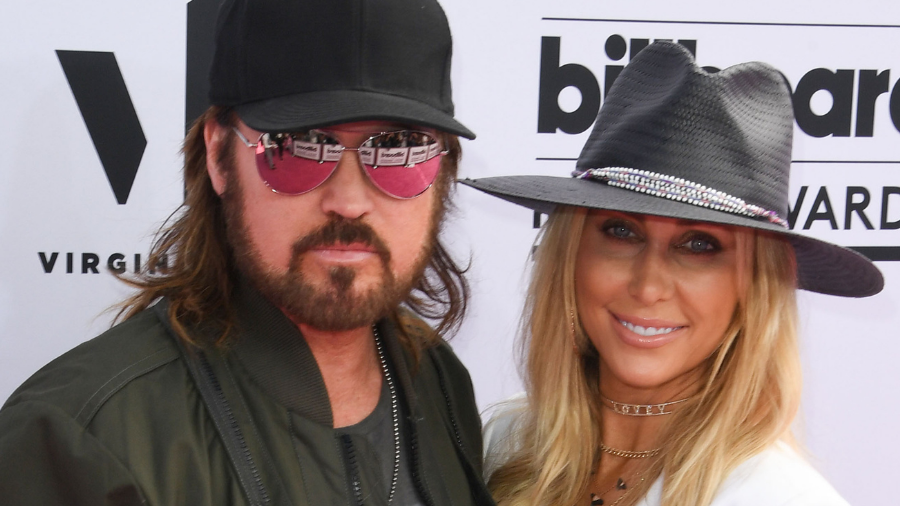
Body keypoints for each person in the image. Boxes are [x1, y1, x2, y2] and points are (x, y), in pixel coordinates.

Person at [0, 1, 495, 505]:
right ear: (219, 156)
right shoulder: (83, 436)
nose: (348, 202)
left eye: (398, 149)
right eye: (299, 146)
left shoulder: (437, 377)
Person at [462, 41, 883, 506]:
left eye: (699, 245)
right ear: (571, 255)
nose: (648, 287)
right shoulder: (502, 443)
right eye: (621, 232)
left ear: (753, 287)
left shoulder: (777, 496)